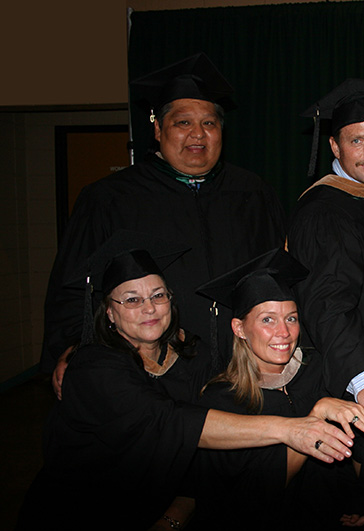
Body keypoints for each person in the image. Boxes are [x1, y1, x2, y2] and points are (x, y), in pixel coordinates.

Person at [18, 234, 356, 531]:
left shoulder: (195, 356)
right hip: (86, 510)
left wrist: (175, 516)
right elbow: (167, 423)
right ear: (109, 312)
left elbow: (198, 463)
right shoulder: (94, 368)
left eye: (159, 295)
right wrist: (290, 429)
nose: (149, 307)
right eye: (132, 299)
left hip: (159, 510)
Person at [42, 52, 285, 398]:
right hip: (150, 373)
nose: (197, 135)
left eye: (209, 123)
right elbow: (74, 287)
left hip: (243, 371)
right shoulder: (110, 198)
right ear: (157, 129)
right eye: (183, 123)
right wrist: (70, 347)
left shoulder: (253, 194)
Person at [189, 249, 364, 530]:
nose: (284, 332)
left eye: (291, 318)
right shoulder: (221, 401)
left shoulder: (322, 368)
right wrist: (317, 415)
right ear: (239, 328)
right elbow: (250, 499)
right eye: (267, 319)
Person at [290, 79, 364, 432]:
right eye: (357, 141)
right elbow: (327, 302)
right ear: (334, 146)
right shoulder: (323, 211)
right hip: (350, 385)